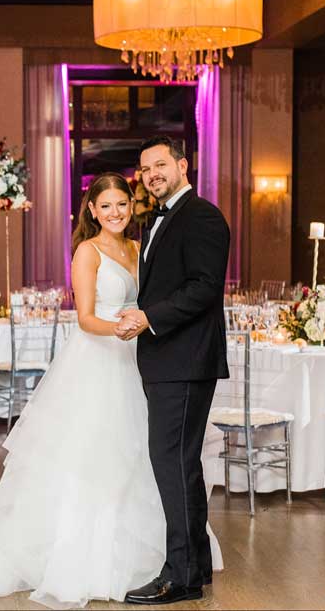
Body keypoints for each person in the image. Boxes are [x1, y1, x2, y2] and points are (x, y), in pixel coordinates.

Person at [0, 172, 222, 609]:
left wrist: (144, 325)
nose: (115, 213)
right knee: (95, 457)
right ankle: (87, 560)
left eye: (122, 204)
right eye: (105, 206)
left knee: (150, 457)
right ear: (91, 210)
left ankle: (166, 559)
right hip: (100, 358)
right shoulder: (87, 252)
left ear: (132, 206)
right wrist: (127, 326)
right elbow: (85, 317)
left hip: (141, 358)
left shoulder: (136, 248)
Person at [115, 136, 230, 605]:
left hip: (183, 360)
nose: (152, 174)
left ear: (183, 165)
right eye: (145, 169)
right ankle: (195, 565)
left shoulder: (201, 216)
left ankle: (179, 577)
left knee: (172, 464)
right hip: (167, 360)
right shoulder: (157, 218)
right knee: (180, 465)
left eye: (160, 165)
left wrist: (149, 318)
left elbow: (205, 288)